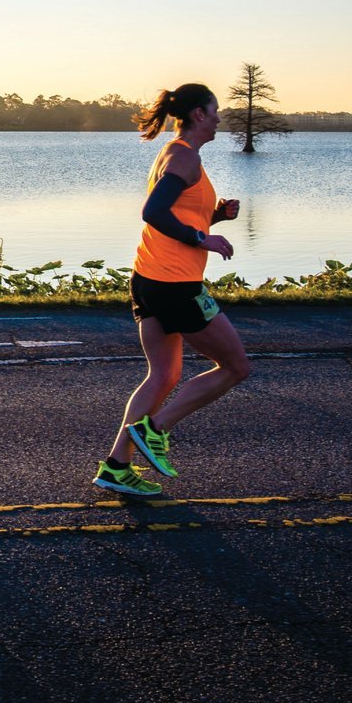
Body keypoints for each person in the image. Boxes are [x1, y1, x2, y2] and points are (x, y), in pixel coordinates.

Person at [94, 83, 253, 496]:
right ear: (199, 114)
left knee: (163, 374)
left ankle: (116, 466)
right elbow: (153, 213)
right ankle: (156, 428)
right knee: (236, 367)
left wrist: (213, 219)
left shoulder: (178, 153)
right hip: (175, 284)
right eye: (215, 111)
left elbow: (175, 217)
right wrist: (203, 240)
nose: (220, 118)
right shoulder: (183, 156)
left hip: (148, 278)